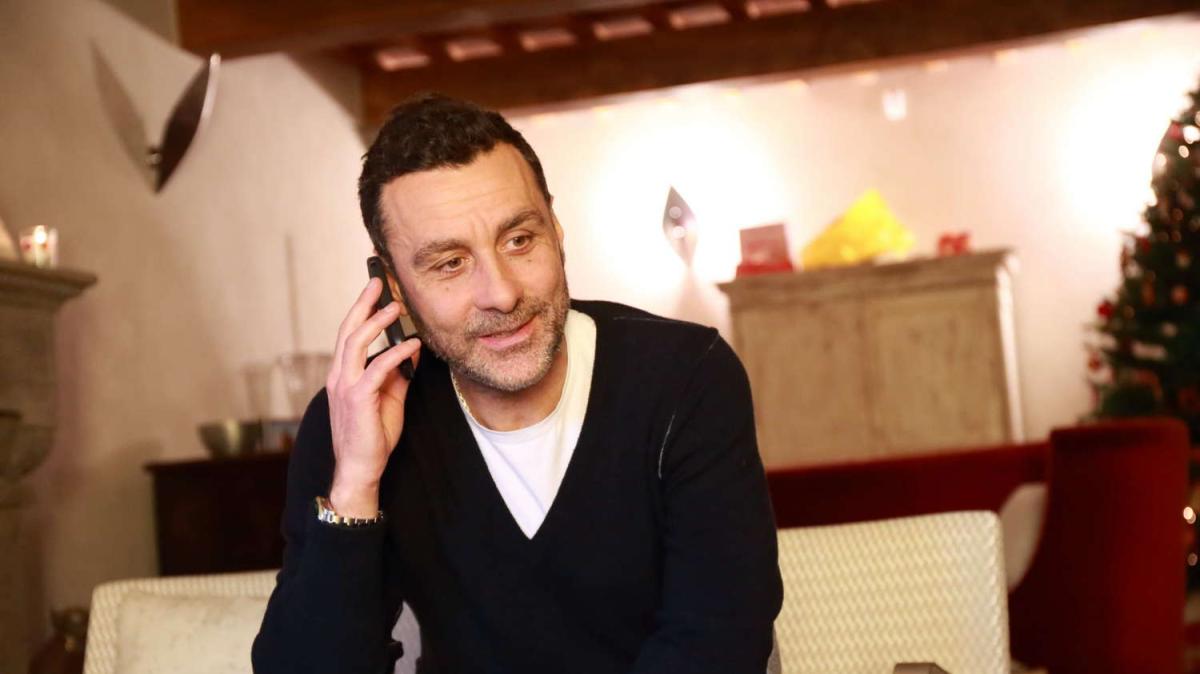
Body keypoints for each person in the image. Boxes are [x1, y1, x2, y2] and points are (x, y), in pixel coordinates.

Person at [251, 93, 782, 674]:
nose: (501, 293)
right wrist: (356, 484)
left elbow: (719, 640)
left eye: (519, 240)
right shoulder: (356, 420)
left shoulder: (684, 378)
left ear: (556, 229)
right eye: (450, 263)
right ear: (394, 286)